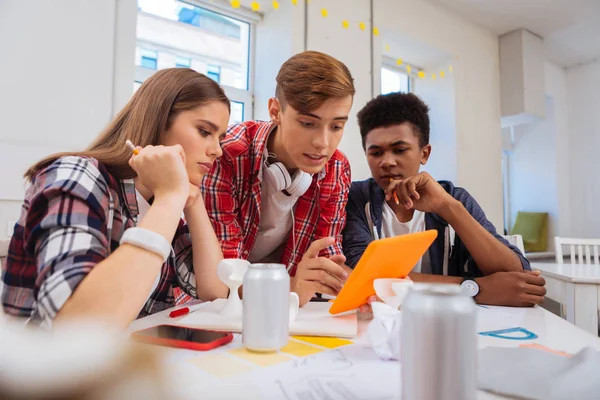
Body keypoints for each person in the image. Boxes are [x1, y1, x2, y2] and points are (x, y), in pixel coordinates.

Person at [2, 68, 230, 328]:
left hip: (120, 362)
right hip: (44, 365)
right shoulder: (77, 175)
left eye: (220, 137)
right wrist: (169, 197)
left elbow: (215, 291)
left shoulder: (156, 202)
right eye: (204, 131)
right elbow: (79, 327)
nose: (218, 150)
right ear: (159, 120)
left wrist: (192, 200)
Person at [343, 92, 546, 307]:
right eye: (376, 153)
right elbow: (364, 277)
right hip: (379, 325)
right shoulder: (355, 198)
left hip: (448, 322)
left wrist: (447, 207)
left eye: (400, 150)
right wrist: (473, 289)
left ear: (424, 153)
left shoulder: (454, 198)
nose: (387, 162)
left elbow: (519, 278)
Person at [202, 51, 355, 306]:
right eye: (308, 123)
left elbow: (327, 255)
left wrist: (354, 287)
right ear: (275, 110)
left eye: (336, 126)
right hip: (218, 305)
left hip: (286, 303)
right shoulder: (227, 154)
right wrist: (292, 287)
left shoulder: (337, 167)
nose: (323, 143)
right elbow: (225, 275)